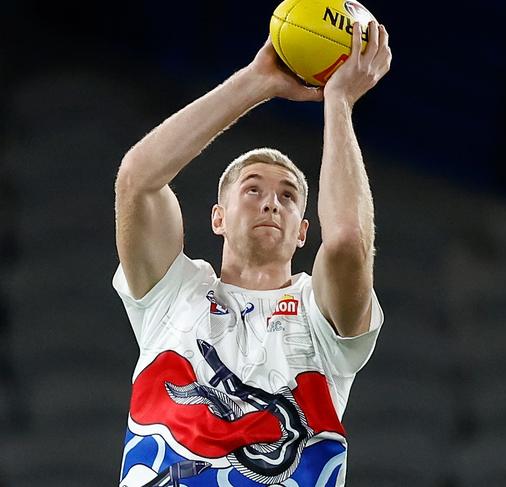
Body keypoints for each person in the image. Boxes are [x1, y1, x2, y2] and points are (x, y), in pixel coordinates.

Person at [113, 19, 392, 487]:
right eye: (253, 189)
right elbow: (137, 180)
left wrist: (339, 103)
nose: (270, 202)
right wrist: (254, 82)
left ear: (304, 232)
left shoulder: (317, 318)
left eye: (287, 195)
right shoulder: (172, 292)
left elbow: (346, 243)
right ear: (217, 217)